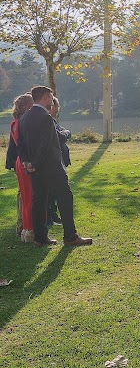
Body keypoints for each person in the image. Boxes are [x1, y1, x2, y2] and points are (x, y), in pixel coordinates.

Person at [17, 86, 91, 247]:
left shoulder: (24, 118)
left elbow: (20, 144)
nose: (52, 101)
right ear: (44, 98)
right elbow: (46, 144)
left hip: (34, 168)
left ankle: (40, 238)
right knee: (65, 197)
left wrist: (27, 162)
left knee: (39, 201)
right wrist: (35, 163)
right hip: (51, 167)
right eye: (50, 98)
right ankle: (71, 236)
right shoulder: (46, 117)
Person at [7, 94, 34, 242]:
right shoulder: (23, 123)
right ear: (26, 106)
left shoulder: (14, 122)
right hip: (25, 161)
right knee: (29, 196)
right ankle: (29, 229)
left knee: (24, 195)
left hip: (19, 160)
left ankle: (24, 228)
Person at [45, 96, 71, 225]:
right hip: (54, 161)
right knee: (52, 191)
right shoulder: (48, 121)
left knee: (54, 192)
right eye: (57, 106)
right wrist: (67, 132)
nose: (58, 109)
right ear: (52, 106)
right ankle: (50, 216)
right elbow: (60, 136)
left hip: (59, 159)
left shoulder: (53, 121)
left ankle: (53, 215)